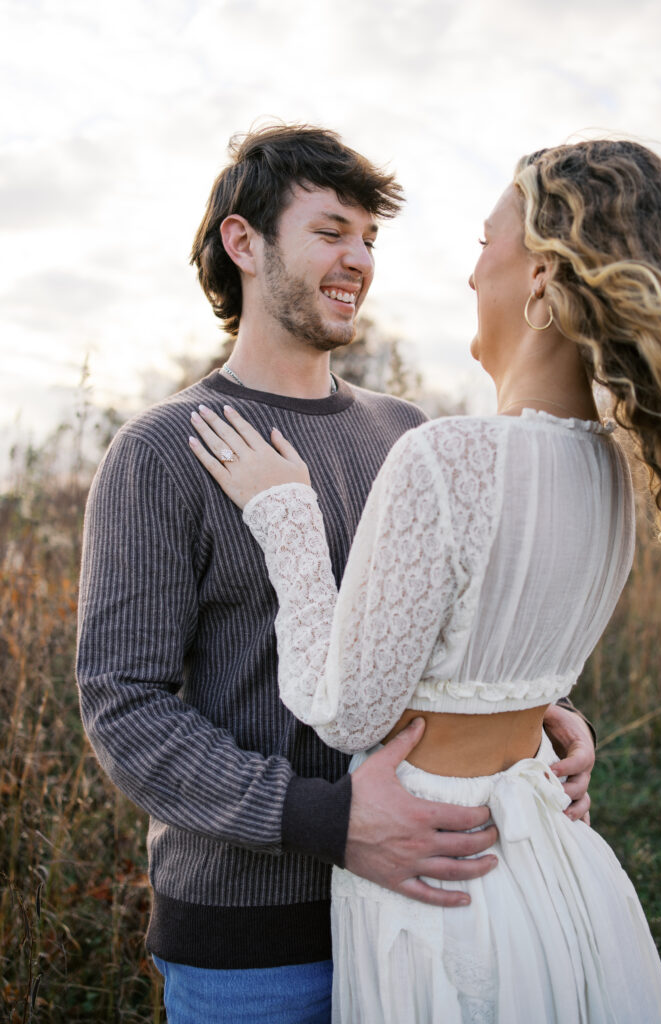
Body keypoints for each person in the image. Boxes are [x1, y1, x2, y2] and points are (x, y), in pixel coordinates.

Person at [76, 124, 596, 1024]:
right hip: (258, 951)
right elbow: (127, 707)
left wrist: (536, 724)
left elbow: (444, 639)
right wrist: (327, 820)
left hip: (432, 919)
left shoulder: (407, 432)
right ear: (244, 244)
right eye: (329, 232)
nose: (358, 259)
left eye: (369, 239)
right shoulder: (162, 452)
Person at [188, 137, 661, 1022]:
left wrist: (286, 517)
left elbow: (345, 712)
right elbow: (507, 665)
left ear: (538, 281)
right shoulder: (614, 473)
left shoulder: (441, 451)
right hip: (547, 868)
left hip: (441, 885)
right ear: (242, 243)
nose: (468, 275)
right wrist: (549, 725)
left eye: (484, 245)